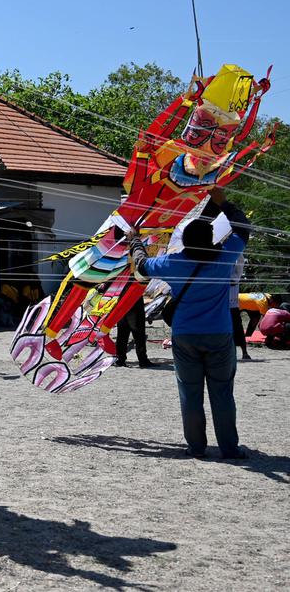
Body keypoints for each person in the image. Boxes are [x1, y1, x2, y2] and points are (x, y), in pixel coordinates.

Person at [130, 188, 249, 459]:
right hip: (219, 334)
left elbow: (141, 265)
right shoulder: (225, 257)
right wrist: (222, 203)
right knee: (222, 393)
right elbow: (243, 228)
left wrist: (135, 240)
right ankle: (229, 448)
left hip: (184, 336)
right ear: (211, 237)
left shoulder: (174, 262)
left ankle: (196, 447)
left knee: (190, 393)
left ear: (185, 241)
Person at [113, 299, 152, 368]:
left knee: (122, 333)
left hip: (122, 303)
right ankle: (143, 360)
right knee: (139, 334)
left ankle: (120, 359)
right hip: (134, 302)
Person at [228, 257, 251, 360]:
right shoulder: (221, 272)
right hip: (224, 306)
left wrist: (238, 250)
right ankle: (240, 352)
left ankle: (244, 352)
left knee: (237, 329)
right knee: (234, 329)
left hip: (231, 306)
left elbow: (240, 261)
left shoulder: (235, 274)